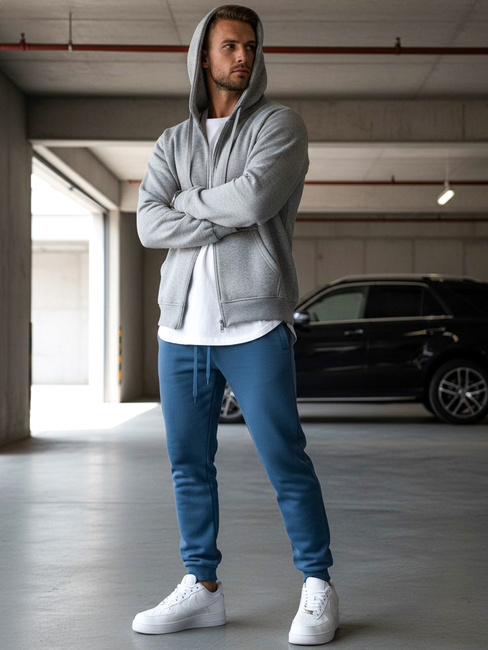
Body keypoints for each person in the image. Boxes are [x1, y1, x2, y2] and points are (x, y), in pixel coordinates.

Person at [132, 5, 339, 645]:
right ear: (204, 55)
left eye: (250, 45)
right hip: (180, 328)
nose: (243, 56)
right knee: (188, 464)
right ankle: (202, 588)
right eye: (229, 46)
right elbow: (148, 224)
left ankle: (318, 584)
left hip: (254, 325)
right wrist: (218, 215)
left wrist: (186, 205)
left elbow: (254, 199)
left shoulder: (280, 125)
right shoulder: (173, 142)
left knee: (284, 457)